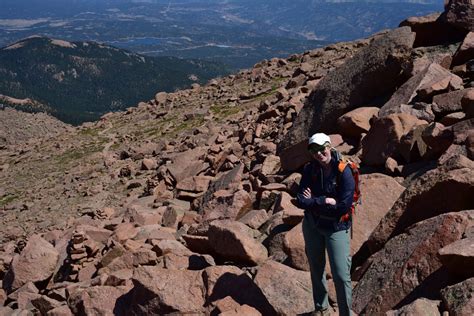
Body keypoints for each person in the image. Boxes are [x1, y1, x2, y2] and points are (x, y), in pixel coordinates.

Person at [297, 133, 355, 316]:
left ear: (329, 146)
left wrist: (313, 201)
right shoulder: (310, 169)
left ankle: (345, 313)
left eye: (322, 148)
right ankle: (321, 309)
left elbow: (342, 207)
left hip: (336, 227)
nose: (319, 153)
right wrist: (323, 201)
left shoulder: (344, 170)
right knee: (316, 268)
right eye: (314, 150)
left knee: (340, 275)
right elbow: (300, 199)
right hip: (312, 224)